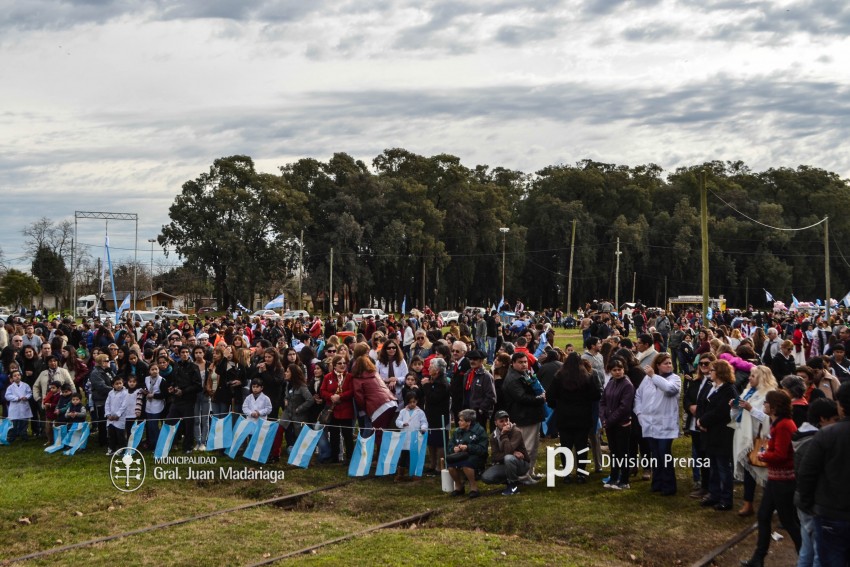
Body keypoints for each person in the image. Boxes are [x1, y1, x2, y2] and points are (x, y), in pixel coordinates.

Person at [740, 390, 802, 567]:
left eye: (767, 402)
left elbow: (782, 455)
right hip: (776, 479)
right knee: (764, 516)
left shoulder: (784, 425)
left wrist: (764, 455)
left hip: (783, 480)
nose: (764, 405)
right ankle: (758, 558)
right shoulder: (777, 424)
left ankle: (805, 556)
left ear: (774, 406)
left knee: (789, 521)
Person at [797, 381, 850, 567]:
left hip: (830, 513)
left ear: (840, 407)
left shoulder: (827, 434)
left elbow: (806, 473)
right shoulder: (827, 434)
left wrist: (808, 504)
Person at [792, 398, 839, 567]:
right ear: (823, 419)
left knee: (807, 548)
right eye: (835, 420)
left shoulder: (803, 436)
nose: (837, 424)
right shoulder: (815, 441)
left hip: (805, 501)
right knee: (818, 552)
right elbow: (808, 475)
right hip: (812, 502)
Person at [730, 365, 776, 517]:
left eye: (753, 376)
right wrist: (735, 407)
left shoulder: (770, 394)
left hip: (760, 438)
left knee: (764, 471)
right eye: (750, 375)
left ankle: (772, 504)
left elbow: (769, 418)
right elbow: (737, 416)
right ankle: (747, 503)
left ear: (762, 377)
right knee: (749, 470)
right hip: (745, 435)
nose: (749, 378)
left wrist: (751, 409)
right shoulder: (747, 391)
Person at [548, 352, 602, 483]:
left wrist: (556, 405)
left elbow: (550, 396)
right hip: (582, 415)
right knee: (581, 445)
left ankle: (566, 473)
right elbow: (596, 395)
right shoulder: (587, 377)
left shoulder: (558, 377)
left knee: (565, 445)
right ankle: (581, 473)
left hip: (564, 415)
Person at [634, 353, 681, 496]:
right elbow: (638, 396)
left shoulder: (675, 379)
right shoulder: (647, 380)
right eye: (665, 363)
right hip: (649, 424)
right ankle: (657, 482)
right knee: (655, 455)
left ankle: (669, 485)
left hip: (665, 424)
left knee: (664, 453)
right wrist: (640, 414)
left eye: (670, 363)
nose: (669, 365)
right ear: (658, 365)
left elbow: (669, 389)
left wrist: (654, 376)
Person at [696, 359, 737, 511]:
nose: (709, 372)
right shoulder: (712, 387)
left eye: (712, 370)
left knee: (723, 467)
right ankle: (714, 494)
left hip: (721, 433)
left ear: (719, 373)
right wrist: (700, 420)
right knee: (712, 465)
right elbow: (702, 403)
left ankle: (726, 498)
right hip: (710, 432)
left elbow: (721, 411)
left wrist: (703, 421)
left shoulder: (728, 390)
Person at [501, 352, 547, 481]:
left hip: (529, 415)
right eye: (520, 362)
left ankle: (530, 472)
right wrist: (540, 399)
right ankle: (524, 475)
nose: (524, 364)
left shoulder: (522, 374)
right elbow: (521, 397)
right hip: (524, 417)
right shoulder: (513, 378)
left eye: (525, 362)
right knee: (528, 448)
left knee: (533, 446)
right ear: (513, 363)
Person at [600, 357, 635, 490]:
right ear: (610, 371)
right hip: (610, 424)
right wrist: (603, 417)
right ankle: (614, 477)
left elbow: (624, 407)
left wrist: (609, 421)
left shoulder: (627, 385)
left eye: (619, 369)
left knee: (623, 452)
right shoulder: (610, 382)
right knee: (613, 451)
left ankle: (624, 480)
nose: (617, 372)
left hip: (622, 424)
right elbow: (603, 401)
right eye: (614, 370)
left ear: (623, 369)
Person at [163, 346, 203, 454]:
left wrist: (184, 391)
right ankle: (170, 443)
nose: (184, 354)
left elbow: (198, 385)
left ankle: (188, 447)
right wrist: (172, 387)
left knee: (188, 424)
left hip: (189, 400)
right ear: (179, 354)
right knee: (169, 421)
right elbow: (173, 380)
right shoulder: (176, 365)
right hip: (176, 400)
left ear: (189, 354)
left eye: (186, 352)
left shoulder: (194, 367)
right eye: (182, 352)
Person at [481, 410, 530, 496]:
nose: (505, 423)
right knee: (486, 477)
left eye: (506, 420)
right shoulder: (493, 436)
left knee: (508, 458)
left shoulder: (516, 431)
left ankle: (513, 485)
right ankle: (509, 481)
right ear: (495, 423)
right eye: (501, 421)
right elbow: (495, 456)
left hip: (522, 464)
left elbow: (508, 451)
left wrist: (504, 435)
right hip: (504, 463)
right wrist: (513, 452)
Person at [319, 355, 355, 464]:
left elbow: (352, 391)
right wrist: (331, 396)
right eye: (339, 363)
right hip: (333, 410)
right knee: (334, 435)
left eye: (344, 363)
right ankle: (335, 457)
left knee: (347, 435)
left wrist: (340, 396)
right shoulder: (328, 377)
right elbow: (322, 390)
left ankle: (349, 457)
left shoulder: (349, 377)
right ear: (334, 365)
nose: (342, 365)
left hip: (346, 410)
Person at [447, 408, 489, 498]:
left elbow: (483, 449)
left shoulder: (480, 431)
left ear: (468, 422)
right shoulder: (457, 431)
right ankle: (459, 487)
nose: (458, 422)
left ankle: (474, 487)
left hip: (476, 456)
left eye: (461, 421)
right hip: (460, 455)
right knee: (450, 465)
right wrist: (453, 449)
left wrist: (468, 447)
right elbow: (450, 446)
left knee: (467, 464)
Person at [421, 357, 450, 475]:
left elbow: (433, 398)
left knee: (439, 443)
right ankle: (432, 464)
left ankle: (440, 465)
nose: (428, 368)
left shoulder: (442, 383)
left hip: (439, 417)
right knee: (431, 442)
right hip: (430, 416)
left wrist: (426, 386)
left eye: (431, 366)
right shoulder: (433, 380)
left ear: (437, 370)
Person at [394, 391, 428, 481]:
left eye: (414, 402)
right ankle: (400, 473)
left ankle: (415, 474)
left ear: (417, 401)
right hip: (405, 438)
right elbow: (397, 421)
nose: (412, 404)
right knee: (404, 456)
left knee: (414, 456)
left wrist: (423, 428)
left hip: (415, 438)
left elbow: (424, 422)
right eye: (410, 402)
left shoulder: (420, 412)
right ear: (407, 402)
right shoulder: (402, 412)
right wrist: (402, 424)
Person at [463, 350, 496, 427]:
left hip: (479, 414)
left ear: (481, 361)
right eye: (470, 359)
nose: (472, 361)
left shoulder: (486, 376)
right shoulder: (468, 373)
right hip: (467, 411)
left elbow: (491, 397)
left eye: (475, 359)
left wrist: (481, 410)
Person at [104, 376, 129, 456]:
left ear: (123, 383)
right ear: (113, 385)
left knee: (120, 435)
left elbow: (124, 405)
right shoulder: (110, 393)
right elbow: (107, 404)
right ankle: (112, 449)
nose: (119, 385)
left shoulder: (125, 393)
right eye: (116, 384)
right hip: (111, 418)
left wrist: (118, 415)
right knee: (111, 434)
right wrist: (108, 414)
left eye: (120, 383)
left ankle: (123, 450)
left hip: (120, 418)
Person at [5, 369, 32, 442]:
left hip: (24, 406)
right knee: (14, 424)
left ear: (21, 376)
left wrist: (26, 397)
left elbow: (29, 393)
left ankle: (24, 436)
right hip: (15, 407)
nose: (17, 377)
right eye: (15, 376)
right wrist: (16, 398)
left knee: (24, 423)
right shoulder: (10, 387)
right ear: (12, 378)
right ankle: (11, 437)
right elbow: (7, 396)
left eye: (18, 375)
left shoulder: (26, 385)